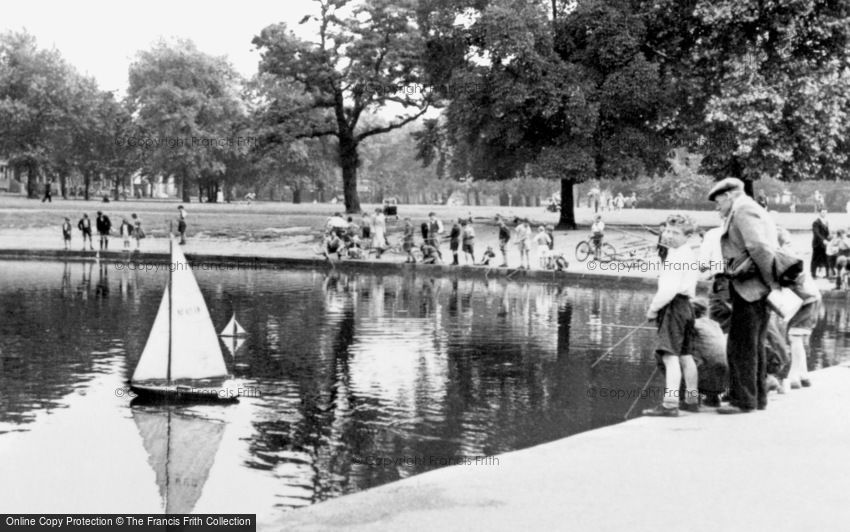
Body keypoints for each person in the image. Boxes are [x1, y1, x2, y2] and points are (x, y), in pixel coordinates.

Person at [709, 177, 778, 414]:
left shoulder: (743, 210)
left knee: (741, 347)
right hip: (754, 288)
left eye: (718, 201)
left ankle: (743, 401)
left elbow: (759, 247)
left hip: (750, 289)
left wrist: (771, 282)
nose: (717, 206)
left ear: (729, 195)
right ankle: (757, 398)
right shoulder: (750, 208)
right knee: (754, 345)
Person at [642, 214, 701, 416]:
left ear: (688, 236)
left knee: (669, 355)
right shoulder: (686, 253)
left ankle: (670, 404)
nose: (668, 235)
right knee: (686, 355)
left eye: (675, 232)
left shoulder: (676, 256)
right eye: (667, 230)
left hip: (674, 307)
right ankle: (692, 401)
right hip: (687, 308)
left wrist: (653, 309)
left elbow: (668, 290)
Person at [811, 209, 829, 278]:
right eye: (823, 212)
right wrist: (823, 240)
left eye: (825, 212)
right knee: (815, 259)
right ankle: (813, 274)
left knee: (826, 258)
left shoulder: (826, 222)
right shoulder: (816, 222)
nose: (824, 214)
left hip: (824, 244)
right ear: (819, 213)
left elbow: (827, 233)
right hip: (817, 244)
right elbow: (816, 233)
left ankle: (827, 274)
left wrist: (829, 239)